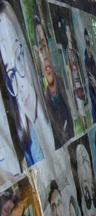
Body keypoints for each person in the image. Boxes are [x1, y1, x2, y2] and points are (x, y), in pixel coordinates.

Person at [0, 4, 51, 166]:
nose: (21, 84)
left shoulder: (51, 108)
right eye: (12, 74)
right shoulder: (25, 147)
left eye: (19, 58)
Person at [33, 15, 74, 147]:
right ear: (38, 59)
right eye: (40, 50)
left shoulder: (60, 82)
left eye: (45, 47)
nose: (44, 55)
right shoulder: (44, 99)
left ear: (50, 51)